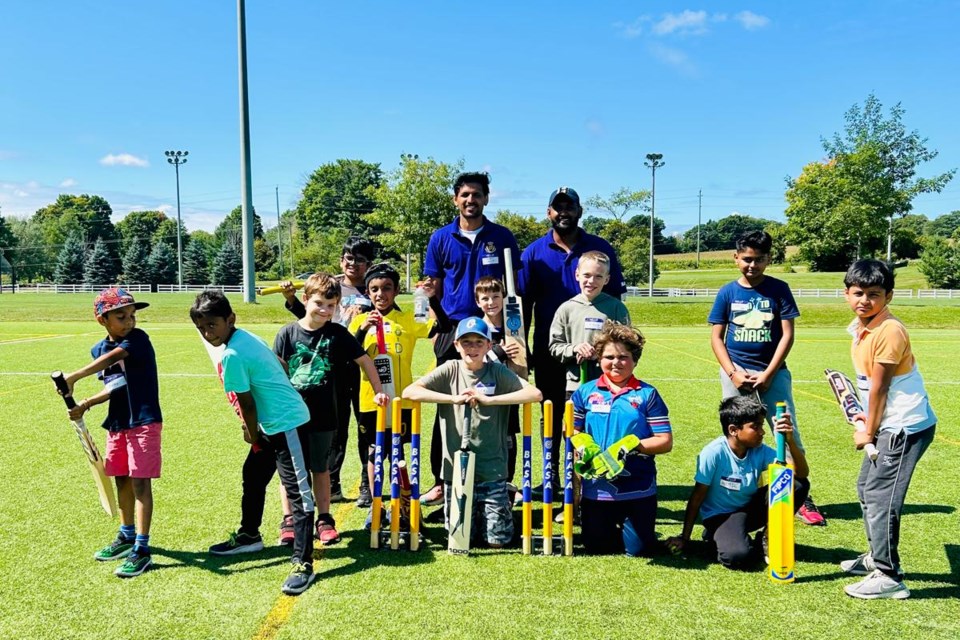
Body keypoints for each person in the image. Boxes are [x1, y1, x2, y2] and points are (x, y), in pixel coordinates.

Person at [191, 291, 316, 596]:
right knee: (254, 476)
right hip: (271, 425)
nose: (208, 333)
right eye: (202, 328)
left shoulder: (232, 355)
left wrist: (251, 432)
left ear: (230, 319)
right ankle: (249, 535)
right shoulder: (245, 337)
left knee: (299, 494)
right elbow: (281, 364)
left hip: (287, 425)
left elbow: (246, 404)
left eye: (213, 325)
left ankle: (303, 563)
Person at [707, 230, 825, 526]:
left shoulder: (779, 289)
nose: (753, 265)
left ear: (768, 259)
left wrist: (770, 373)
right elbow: (716, 338)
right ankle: (740, 491)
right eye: (747, 259)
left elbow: (787, 335)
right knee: (739, 433)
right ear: (736, 258)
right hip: (736, 376)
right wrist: (733, 373)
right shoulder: (727, 292)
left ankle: (800, 495)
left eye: (759, 259)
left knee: (786, 432)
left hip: (773, 375)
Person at [839, 259, 936, 600]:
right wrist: (866, 420)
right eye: (858, 293)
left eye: (874, 294)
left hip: (904, 428)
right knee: (866, 488)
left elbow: (880, 388)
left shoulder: (889, 331)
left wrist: (868, 431)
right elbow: (870, 389)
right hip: (885, 422)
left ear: (889, 296)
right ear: (846, 293)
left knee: (882, 498)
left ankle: (888, 574)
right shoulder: (862, 326)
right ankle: (876, 556)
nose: (864, 300)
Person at [421, 171, 521, 505]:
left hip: (494, 332)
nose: (470, 200)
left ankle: (503, 480)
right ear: (455, 199)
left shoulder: (502, 236)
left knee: (503, 406)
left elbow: (515, 291)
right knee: (447, 406)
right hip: (454, 333)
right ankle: (441, 479)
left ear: (486, 198)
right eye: (464, 194)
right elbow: (431, 286)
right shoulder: (441, 238)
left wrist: (513, 333)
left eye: (476, 194)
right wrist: (435, 321)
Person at [519, 186, 626, 493]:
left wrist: (608, 350)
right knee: (551, 412)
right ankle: (553, 476)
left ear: (580, 211)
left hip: (597, 358)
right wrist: (522, 349)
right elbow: (524, 305)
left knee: (595, 415)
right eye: (558, 207)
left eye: (570, 207)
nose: (563, 212)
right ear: (549, 212)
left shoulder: (599, 248)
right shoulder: (534, 252)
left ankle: (591, 474)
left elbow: (615, 304)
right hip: (550, 349)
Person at [402, 317, 542, 549]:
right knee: (461, 539)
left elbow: (534, 394)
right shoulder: (450, 369)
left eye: (479, 342)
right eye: (466, 342)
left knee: (496, 542)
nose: (473, 348)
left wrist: (490, 400)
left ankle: (503, 506)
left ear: (489, 346)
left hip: (492, 468)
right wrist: (453, 398)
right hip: (455, 470)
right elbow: (410, 391)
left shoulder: (497, 372)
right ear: (457, 345)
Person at [273, 273, 389, 547]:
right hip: (291, 416)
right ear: (305, 300)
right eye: (319, 303)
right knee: (290, 470)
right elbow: (275, 372)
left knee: (320, 469)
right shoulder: (287, 333)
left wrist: (379, 390)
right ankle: (289, 519)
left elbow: (365, 361)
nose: (325, 310)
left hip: (324, 415)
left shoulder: (337, 333)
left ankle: (324, 519)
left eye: (331, 305)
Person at [59, 288, 162, 578]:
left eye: (131, 315)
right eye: (121, 316)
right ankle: (126, 534)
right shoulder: (98, 349)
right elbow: (115, 385)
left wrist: (75, 376)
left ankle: (142, 549)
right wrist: (86, 404)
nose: (129, 320)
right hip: (118, 422)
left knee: (142, 485)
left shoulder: (138, 339)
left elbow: (116, 356)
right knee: (122, 479)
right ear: (102, 319)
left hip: (144, 420)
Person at [347, 263, 451, 525]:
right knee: (374, 452)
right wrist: (362, 330)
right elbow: (349, 355)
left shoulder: (408, 319)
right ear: (368, 293)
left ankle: (401, 505)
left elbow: (444, 325)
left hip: (402, 399)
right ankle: (377, 505)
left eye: (386, 288)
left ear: (395, 291)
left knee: (399, 454)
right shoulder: (360, 320)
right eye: (374, 290)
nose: (380, 294)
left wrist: (432, 299)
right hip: (372, 400)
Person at [279, 236, 375, 506]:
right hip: (332, 369)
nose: (352, 263)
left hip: (361, 365)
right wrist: (290, 298)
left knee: (366, 427)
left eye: (359, 259)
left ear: (368, 263)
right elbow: (309, 316)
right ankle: (331, 482)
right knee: (336, 428)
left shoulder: (374, 289)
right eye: (347, 257)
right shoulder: (331, 285)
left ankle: (367, 484)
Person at [665, 396, 810, 569]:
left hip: (749, 509)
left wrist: (790, 440)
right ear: (733, 430)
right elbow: (697, 497)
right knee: (737, 556)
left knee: (797, 484)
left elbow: (800, 473)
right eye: (755, 427)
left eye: (762, 426)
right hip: (720, 516)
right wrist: (685, 537)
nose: (762, 432)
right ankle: (718, 535)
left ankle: (767, 536)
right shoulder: (713, 453)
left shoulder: (759, 450)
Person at [570, 322, 672, 555]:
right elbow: (572, 431)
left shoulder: (647, 394)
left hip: (638, 486)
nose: (616, 363)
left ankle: (636, 531)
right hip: (597, 487)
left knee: (639, 551)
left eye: (623, 357)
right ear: (599, 359)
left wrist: (633, 445)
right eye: (609, 357)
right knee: (597, 548)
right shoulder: (585, 392)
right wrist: (582, 443)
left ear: (635, 360)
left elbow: (665, 441)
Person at [549, 250, 631, 392]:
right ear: (577, 275)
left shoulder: (617, 308)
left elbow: (629, 346)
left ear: (606, 279)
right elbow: (555, 346)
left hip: (611, 385)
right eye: (586, 275)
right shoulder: (566, 309)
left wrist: (602, 354)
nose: (591, 281)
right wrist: (575, 349)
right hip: (576, 385)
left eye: (598, 276)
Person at [474, 276, 523, 492]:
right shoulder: (475, 327)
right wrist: (497, 353)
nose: (491, 302)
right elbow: (473, 361)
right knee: (484, 437)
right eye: (485, 298)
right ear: (477, 302)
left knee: (508, 438)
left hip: (507, 394)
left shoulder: (513, 327)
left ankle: (507, 483)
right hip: (483, 392)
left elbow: (522, 358)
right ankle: (482, 483)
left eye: (496, 296)